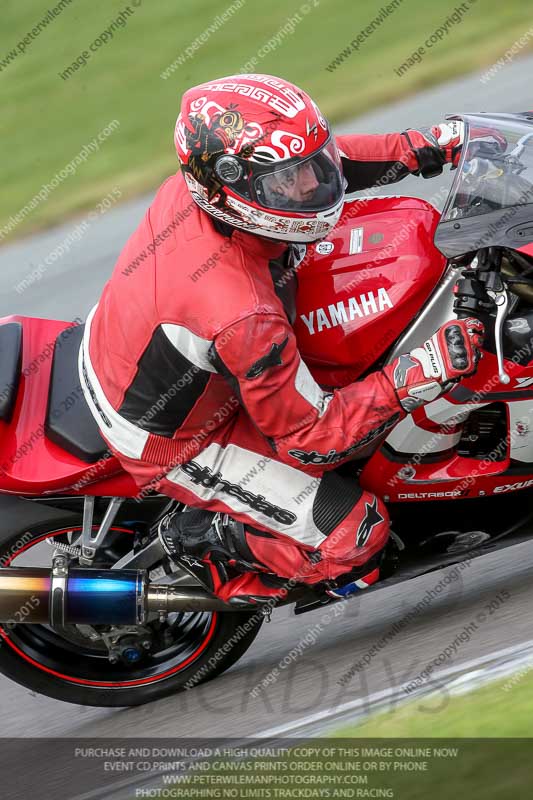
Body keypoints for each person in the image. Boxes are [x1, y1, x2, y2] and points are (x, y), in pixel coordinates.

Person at [79, 74, 483, 605]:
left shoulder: (205, 188)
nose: (312, 185)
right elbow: (312, 439)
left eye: (309, 166)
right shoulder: (242, 312)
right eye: (287, 181)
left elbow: (330, 164)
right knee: (356, 534)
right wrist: (412, 376)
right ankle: (203, 540)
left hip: (144, 348)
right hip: (175, 439)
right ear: (234, 189)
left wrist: (427, 148)